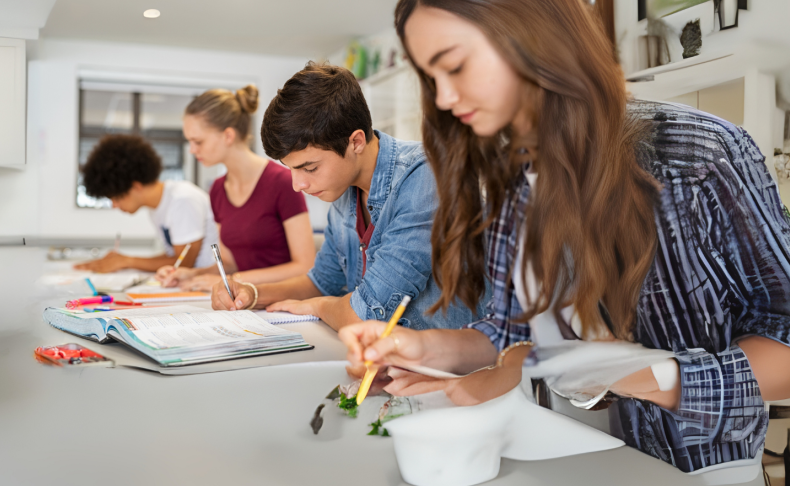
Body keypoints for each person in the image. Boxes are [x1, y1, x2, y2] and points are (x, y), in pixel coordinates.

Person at [339, 0, 790, 474]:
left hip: (685, 477)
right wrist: (421, 348)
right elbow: (508, 335)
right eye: (431, 78)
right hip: (556, 458)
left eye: (456, 65)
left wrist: (646, 375)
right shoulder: (511, 177)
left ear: (529, 36)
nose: (443, 98)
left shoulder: (695, 158)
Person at [210, 62, 484, 333]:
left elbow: (366, 315)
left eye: (309, 167)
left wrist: (320, 306)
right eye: (291, 168)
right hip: (385, 357)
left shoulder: (424, 176)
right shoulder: (344, 189)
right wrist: (252, 293)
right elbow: (322, 281)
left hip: (449, 368)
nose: (297, 184)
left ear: (356, 142)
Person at [155, 85, 316, 291]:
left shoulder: (283, 182)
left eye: (198, 141)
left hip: (284, 301)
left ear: (228, 136)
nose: (193, 150)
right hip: (244, 302)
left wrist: (234, 280)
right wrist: (192, 274)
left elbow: (304, 266)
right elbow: (230, 264)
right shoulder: (218, 190)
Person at [75, 134, 218, 273]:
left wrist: (127, 261)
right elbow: (174, 256)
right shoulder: (157, 207)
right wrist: (123, 260)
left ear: (135, 186)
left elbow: (184, 263)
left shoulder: (182, 199)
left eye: (116, 198)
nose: (114, 206)